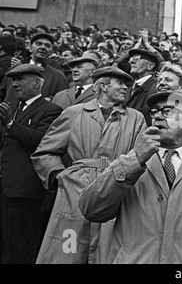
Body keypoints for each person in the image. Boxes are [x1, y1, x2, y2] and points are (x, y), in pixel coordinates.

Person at [78, 90, 182, 263]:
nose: (158, 116)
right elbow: (91, 209)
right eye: (154, 112)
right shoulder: (129, 163)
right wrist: (134, 159)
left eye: (168, 111)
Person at [31, 66, 147, 264]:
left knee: (108, 250)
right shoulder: (74, 113)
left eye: (126, 85)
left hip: (115, 190)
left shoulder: (136, 118)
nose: (125, 88)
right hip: (75, 191)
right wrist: (60, 177)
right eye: (120, 83)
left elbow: (141, 156)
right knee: (68, 249)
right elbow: (45, 151)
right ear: (102, 85)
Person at [0, 64, 63, 264]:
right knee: (6, 243)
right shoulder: (14, 108)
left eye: (21, 80)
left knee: (23, 245)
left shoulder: (51, 110)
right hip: (6, 187)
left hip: (27, 191)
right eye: (13, 80)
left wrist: (10, 124)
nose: (15, 84)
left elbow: (41, 140)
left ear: (37, 83)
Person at [125, 48, 161, 122]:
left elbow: (147, 115)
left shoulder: (156, 87)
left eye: (137, 58)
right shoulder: (128, 89)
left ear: (150, 66)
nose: (131, 61)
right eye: (132, 58)